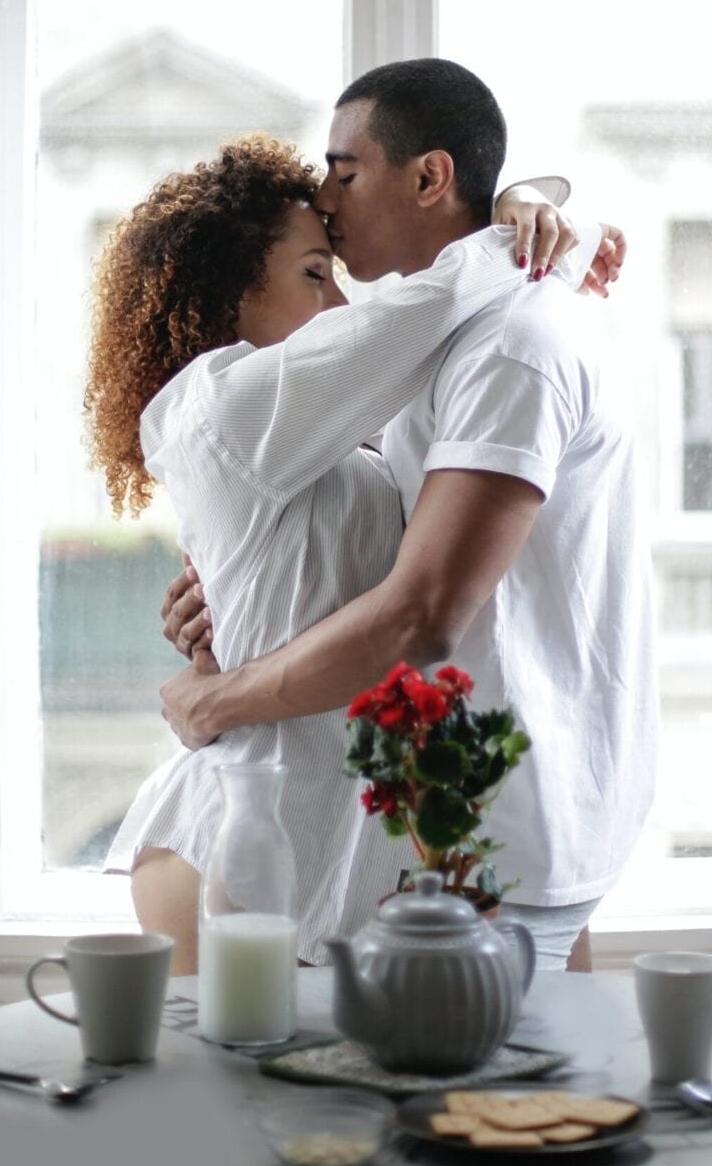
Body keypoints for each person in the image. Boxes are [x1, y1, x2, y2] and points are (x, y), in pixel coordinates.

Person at [158, 59, 656, 973]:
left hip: (499, 835)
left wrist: (217, 698)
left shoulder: (514, 346)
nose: (326, 194)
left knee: (492, 1114)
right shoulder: (442, 345)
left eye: (344, 170)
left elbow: (423, 613)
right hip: (450, 825)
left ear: (428, 177)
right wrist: (235, 585)